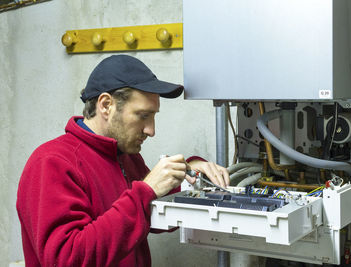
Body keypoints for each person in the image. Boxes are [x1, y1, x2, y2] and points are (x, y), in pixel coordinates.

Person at [16, 55, 230, 267]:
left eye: (153, 116)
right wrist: (145, 191)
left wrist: (189, 176)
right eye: (143, 116)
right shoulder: (52, 163)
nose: (151, 130)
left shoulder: (125, 155)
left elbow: (146, 214)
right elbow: (67, 258)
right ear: (106, 105)